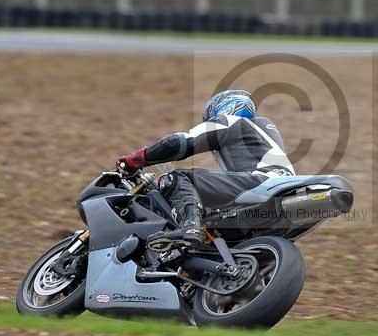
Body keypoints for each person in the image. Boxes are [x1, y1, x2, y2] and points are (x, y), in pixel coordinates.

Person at [116, 89, 295, 251]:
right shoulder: (264, 135)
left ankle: (190, 227)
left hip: (262, 183)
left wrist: (134, 160)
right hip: (280, 198)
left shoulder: (232, 121)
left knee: (176, 178)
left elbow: (179, 143)